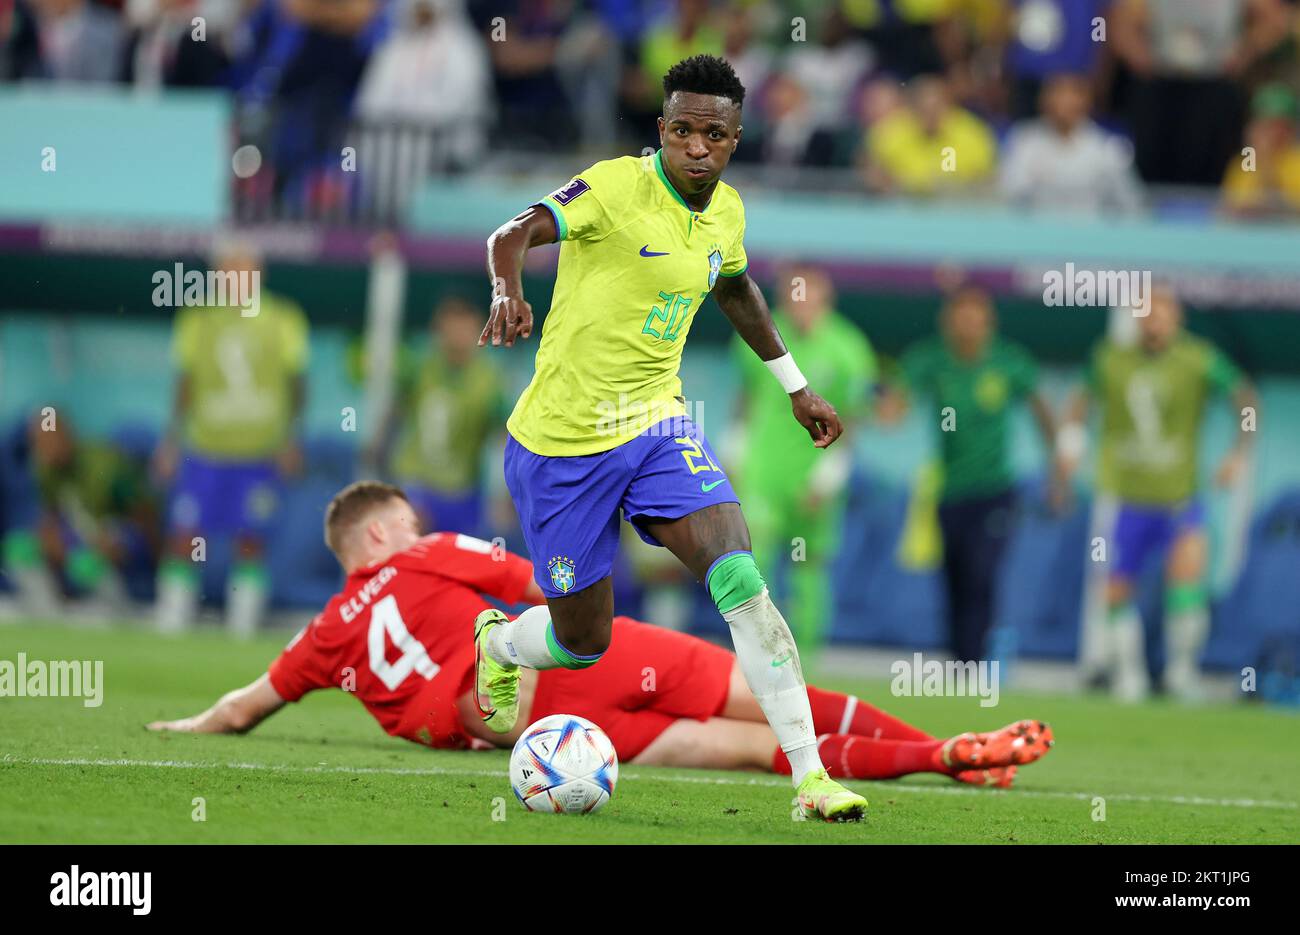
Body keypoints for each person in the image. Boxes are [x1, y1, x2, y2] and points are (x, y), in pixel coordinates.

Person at [478, 54, 865, 821]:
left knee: (741, 579)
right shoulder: (617, 187)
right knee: (583, 640)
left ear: (734, 139)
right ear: (662, 130)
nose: (696, 146)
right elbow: (512, 233)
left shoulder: (728, 215)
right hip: (560, 445)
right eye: (682, 130)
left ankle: (811, 776)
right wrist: (507, 289)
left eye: (712, 134)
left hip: (656, 425)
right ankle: (498, 640)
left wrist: (797, 386)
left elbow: (734, 288)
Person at [146, 481, 1055, 791]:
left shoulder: (324, 634)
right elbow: (547, 581)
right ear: (386, 532)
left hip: (554, 733)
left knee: (742, 752)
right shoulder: (427, 552)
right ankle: (943, 749)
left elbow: (239, 710)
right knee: (782, 705)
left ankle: (486, 696)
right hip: (592, 658)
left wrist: (182, 728)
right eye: (408, 518)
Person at [1060, 287, 1258, 702]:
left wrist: (1239, 454)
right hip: (1122, 498)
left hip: (1180, 498)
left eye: (1162, 313)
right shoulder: (1110, 359)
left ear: (1177, 318)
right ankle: (1128, 676)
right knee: (1114, 586)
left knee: (1186, 586)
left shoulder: (1198, 359)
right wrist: (1072, 446)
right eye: (1146, 312)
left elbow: (1245, 400)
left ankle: (1181, 672)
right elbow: (1080, 402)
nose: (1154, 321)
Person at [880, 286, 1062, 663]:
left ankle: (980, 659)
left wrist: (1058, 467)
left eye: (975, 318)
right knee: (954, 576)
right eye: (960, 317)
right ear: (947, 322)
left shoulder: (1007, 362)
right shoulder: (933, 360)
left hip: (997, 489)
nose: (967, 326)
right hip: (950, 491)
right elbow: (898, 399)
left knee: (983, 573)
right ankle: (960, 661)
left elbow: (1042, 410)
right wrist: (885, 406)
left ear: (988, 323)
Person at [152, 242, 309, 636]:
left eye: (245, 266)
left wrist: (291, 439)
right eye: (229, 267)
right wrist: (171, 441)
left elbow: (298, 385)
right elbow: (184, 384)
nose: (236, 275)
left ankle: (242, 627)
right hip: (204, 450)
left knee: (251, 538)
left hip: (258, 452)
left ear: (260, 273)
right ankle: (171, 622)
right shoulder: (197, 319)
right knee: (185, 535)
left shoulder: (284, 318)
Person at [731, 264, 877, 666]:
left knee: (808, 571)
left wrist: (829, 476)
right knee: (750, 564)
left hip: (815, 478)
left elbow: (856, 418)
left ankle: (805, 666)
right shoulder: (756, 336)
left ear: (825, 301)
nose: (802, 307)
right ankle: (757, 659)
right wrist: (736, 452)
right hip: (763, 474)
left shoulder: (849, 349)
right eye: (794, 297)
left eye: (810, 297)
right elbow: (745, 398)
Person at [370, 296, 509, 538]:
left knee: (461, 564)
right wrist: (379, 456)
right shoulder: (418, 368)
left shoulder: (490, 381)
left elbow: (504, 437)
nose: (457, 336)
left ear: (478, 329)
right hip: (417, 482)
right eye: (450, 327)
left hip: (464, 491)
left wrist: (506, 495)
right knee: (413, 544)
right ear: (438, 328)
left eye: (464, 328)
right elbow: (395, 414)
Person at [999, 72, 1144, 216]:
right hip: (1036, 231)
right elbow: (1008, 194)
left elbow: (1130, 203)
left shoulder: (1106, 147)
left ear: (1087, 100)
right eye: (1057, 92)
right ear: (1043, 99)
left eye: (1074, 93)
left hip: (1092, 233)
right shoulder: (1024, 139)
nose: (1064, 101)